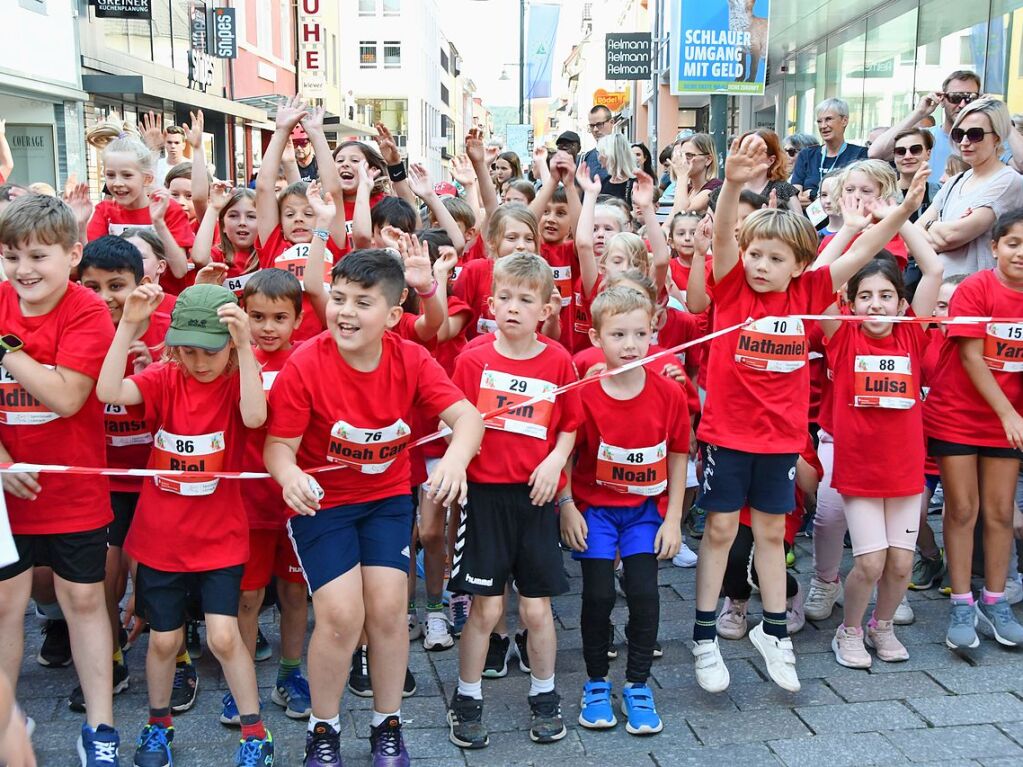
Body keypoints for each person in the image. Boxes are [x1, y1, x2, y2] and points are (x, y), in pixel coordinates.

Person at [689, 133, 928, 695]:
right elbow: (724, 232)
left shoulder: (811, 291)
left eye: (776, 259)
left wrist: (903, 210)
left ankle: (775, 631)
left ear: (800, 265)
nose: (761, 266)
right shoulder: (730, 288)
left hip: (781, 441)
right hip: (727, 435)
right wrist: (730, 183)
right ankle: (704, 636)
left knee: (773, 532)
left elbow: (867, 250)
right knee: (722, 529)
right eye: (755, 255)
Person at [264, 249, 484, 767]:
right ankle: (324, 728)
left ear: (391, 314)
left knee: (388, 610)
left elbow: (468, 418)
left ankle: (387, 724)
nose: (344, 311)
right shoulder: (306, 363)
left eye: (362, 302)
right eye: (338, 298)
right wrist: (290, 474)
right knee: (341, 617)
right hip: (323, 506)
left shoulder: (410, 358)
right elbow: (277, 447)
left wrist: (453, 461)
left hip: (385, 501)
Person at [97, 282, 274, 766]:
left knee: (222, 636)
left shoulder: (237, 380)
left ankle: (255, 734)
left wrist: (243, 347)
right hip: (162, 536)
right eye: (190, 351)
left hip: (219, 536)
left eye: (210, 352)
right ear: (174, 346)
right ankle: (158, 727)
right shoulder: (164, 377)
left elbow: (256, 417)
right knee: (164, 638)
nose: (200, 362)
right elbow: (108, 390)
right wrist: (130, 323)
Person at [0, 194, 121, 765]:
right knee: (7, 603)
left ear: (72, 256)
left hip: (72, 487)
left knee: (83, 598)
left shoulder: (86, 311)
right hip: (6, 490)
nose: (24, 270)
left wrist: (6, 348)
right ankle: (6, 723)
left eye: (38, 256)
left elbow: (68, 397)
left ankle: (100, 727)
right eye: (11, 256)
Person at [446, 253, 580, 750]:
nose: (514, 308)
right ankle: (467, 696)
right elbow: (454, 422)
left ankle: (545, 696)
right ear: (490, 302)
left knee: (537, 608)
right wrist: (457, 466)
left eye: (526, 300)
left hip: (536, 498)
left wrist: (554, 463)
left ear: (545, 308)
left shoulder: (558, 360)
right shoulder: (473, 360)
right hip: (485, 500)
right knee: (484, 610)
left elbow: (569, 424)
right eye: (505, 298)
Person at [824, 191, 943, 668]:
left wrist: (899, 216)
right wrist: (853, 227)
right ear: (850, 303)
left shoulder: (912, 332)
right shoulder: (842, 334)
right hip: (861, 469)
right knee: (870, 562)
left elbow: (932, 270)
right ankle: (848, 629)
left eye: (886, 296)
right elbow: (818, 278)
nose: (876, 306)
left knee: (898, 563)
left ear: (901, 300)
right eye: (866, 296)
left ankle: (883, 625)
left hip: (906, 468)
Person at [560, 285, 685, 736]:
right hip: (595, 512)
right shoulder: (586, 392)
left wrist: (673, 519)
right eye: (618, 335)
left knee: (645, 596)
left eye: (639, 333)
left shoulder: (669, 394)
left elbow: (679, 451)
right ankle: (596, 683)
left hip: (643, 514)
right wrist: (567, 506)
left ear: (653, 332)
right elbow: (568, 451)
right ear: (596, 339)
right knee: (596, 597)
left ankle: (637, 685)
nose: (630, 345)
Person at [74, 237, 172, 716]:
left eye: (117, 285)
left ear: (142, 286)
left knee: (155, 575)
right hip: (104, 477)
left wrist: (157, 372)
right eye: (91, 286)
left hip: (157, 476)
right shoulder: (75, 333)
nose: (105, 296)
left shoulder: (166, 332)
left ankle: (179, 654)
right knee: (104, 576)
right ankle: (109, 657)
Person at [924, 209, 1023, 651]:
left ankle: (996, 601)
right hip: (961, 413)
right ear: (996, 246)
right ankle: (962, 602)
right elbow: (971, 357)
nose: (1020, 253)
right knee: (963, 509)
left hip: (1010, 419)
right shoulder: (975, 289)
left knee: (1001, 512)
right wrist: (1008, 415)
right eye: (1013, 243)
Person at [916, 98, 1023, 277]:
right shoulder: (954, 181)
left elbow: (951, 236)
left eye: (975, 134)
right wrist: (937, 230)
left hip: (979, 293)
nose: (964, 142)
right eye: (959, 134)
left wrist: (931, 226)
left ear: (997, 137)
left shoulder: (1008, 180)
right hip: (940, 290)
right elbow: (916, 233)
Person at [868, 70, 982, 174]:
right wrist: (919, 112)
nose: (962, 104)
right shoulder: (924, 138)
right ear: (942, 100)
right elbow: (875, 153)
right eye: (955, 97)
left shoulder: (989, 141)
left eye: (970, 98)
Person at [790, 98, 869, 204]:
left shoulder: (860, 154)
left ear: (844, 121)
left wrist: (812, 194)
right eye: (819, 121)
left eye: (828, 119)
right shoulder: (807, 155)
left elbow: (855, 194)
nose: (823, 126)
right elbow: (795, 197)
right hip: (809, 219)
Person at [709, 129, 800, 214]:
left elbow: (801, 228)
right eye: (743, 150)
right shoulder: (724, 190)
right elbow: (711, 225)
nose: (748, 156)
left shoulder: (784, 190)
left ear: (771, 160)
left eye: (756, 151)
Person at [665, 133, 722, 215]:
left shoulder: (715, 187)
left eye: (689, 155)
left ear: (708, 160)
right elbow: (668, 224)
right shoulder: (688, 189)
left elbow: (680, 215)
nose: (683, 161)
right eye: (681, 155)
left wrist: (682, 176)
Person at [892, 128, 938, 223]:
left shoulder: (941, 193)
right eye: (901, 151)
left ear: (928, 154)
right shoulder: (882, 196)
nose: (907, 156)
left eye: (915, 150)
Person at [596, 133, 638, 204]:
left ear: (611, 155)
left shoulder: (635, 183)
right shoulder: (604, 182)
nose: (599, 157)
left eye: (601, 153)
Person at [581, 105, 614, 187]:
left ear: (612, 122)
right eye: (592, 126)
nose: (595, 130)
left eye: (599, 124)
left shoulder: (627, 154)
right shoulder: (585, 158)